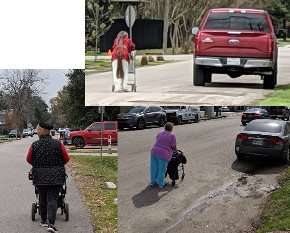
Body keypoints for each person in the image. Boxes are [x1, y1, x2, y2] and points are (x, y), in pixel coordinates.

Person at [26, 123, 70, 233]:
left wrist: (38, 164)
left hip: (39, 176)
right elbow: (66, 158)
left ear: (40, 131)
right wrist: (57, 164)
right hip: (56, 176)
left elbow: (29, 159)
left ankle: (44, 220)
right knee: (52, 199)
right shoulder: (58, 144)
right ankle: (51, 224)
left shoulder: (34, 145)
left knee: (42, 197)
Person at [150, 122, 180, 188]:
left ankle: (153, 182)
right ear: (171, 129)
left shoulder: (161, 132)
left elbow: (157, 138)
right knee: (161, 169)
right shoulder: (172, 135)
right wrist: (177, 152)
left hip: (154, 151)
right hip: (163, 154)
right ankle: (161, 184)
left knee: (154, 168)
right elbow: (173, 146)